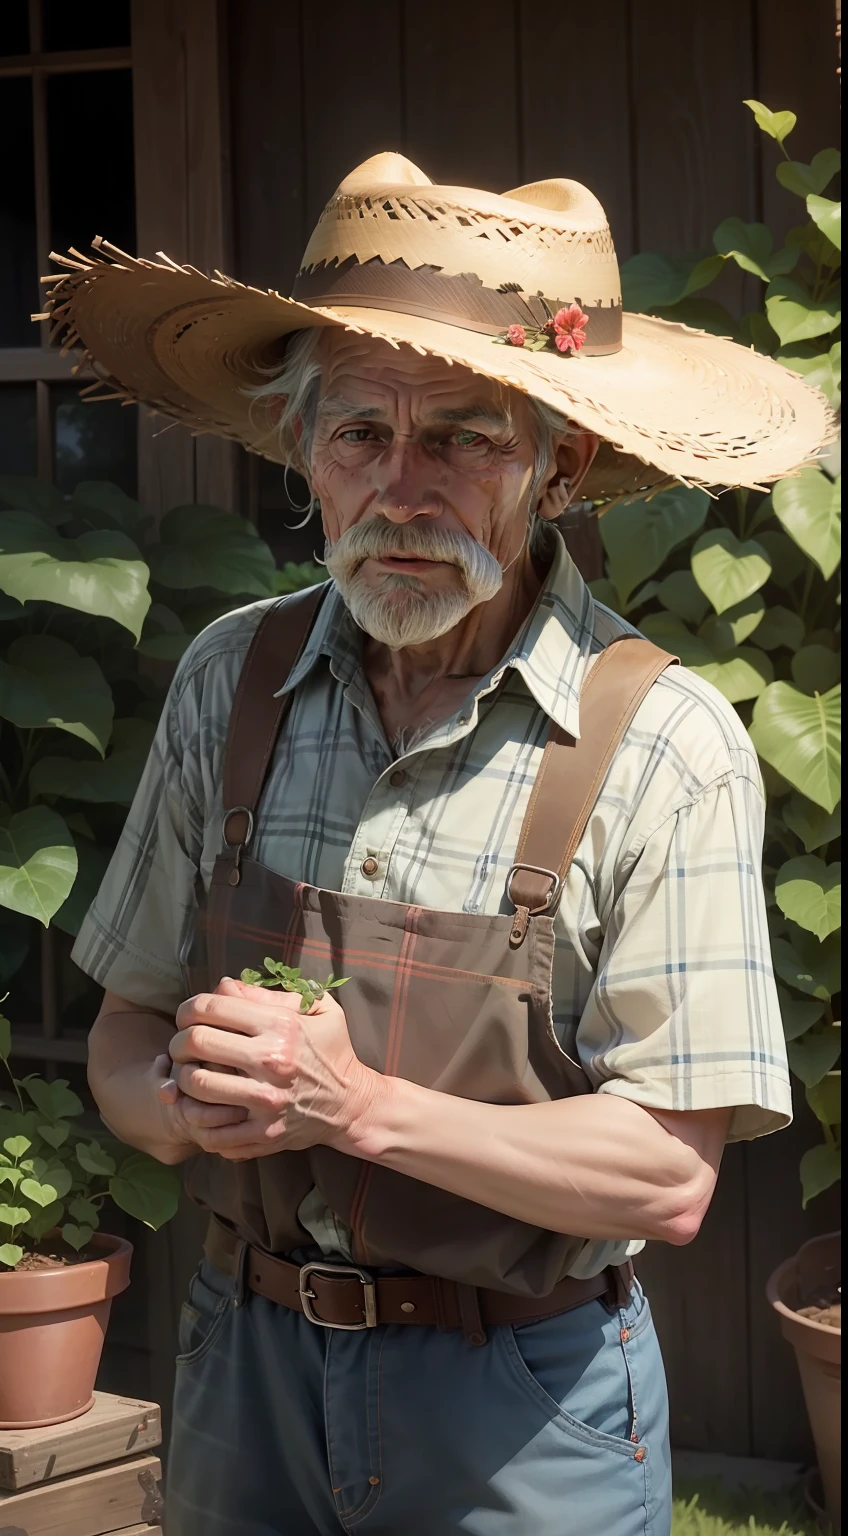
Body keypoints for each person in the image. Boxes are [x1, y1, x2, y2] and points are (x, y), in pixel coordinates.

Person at [48, 153, 829, 1536]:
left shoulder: (662, 743)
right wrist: (175, 1103)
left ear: (561, 465)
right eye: (359, 434)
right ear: (303, 451)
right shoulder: (230, 681)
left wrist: (356, 1109)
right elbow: (122, 1034)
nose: (401, 492)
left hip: (524, 1400)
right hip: (248, 1369)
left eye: (465, 437)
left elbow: (667, 1173)